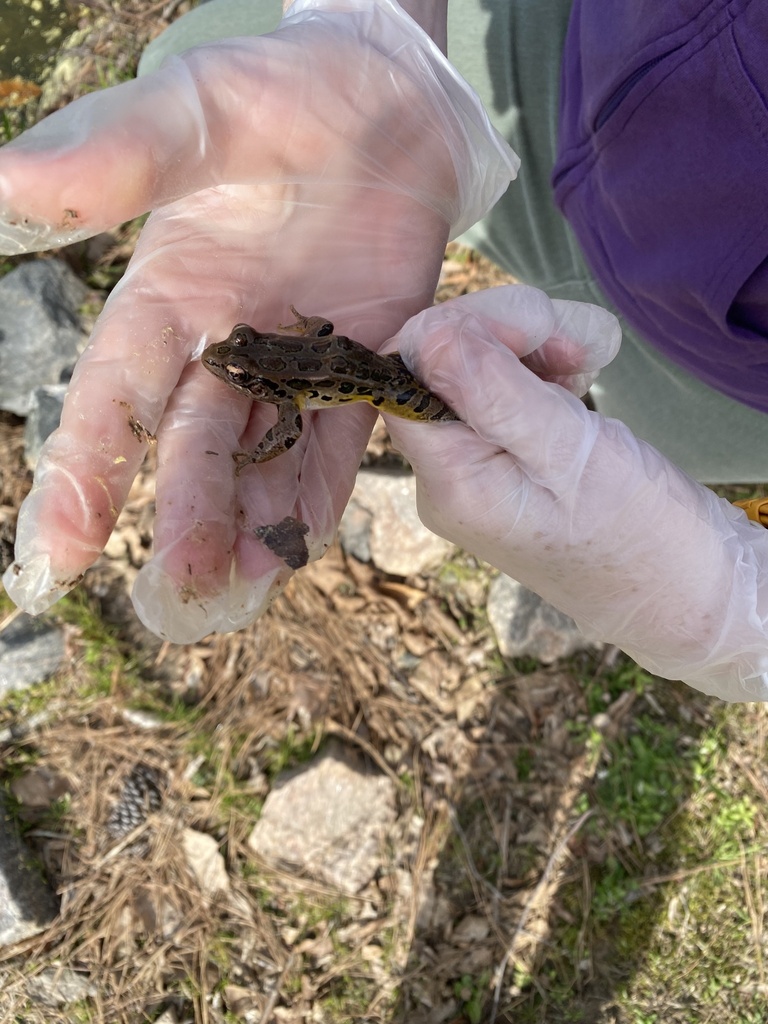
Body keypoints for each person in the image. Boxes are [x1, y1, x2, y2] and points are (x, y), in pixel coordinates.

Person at [1, 0, 767, 701]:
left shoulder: (287, 394)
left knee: (617, 444)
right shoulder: (279, 364)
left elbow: (292, 419)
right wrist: (381, 35)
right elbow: (321, 337)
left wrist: (740, 615)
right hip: (592, 59)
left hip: (731, 378)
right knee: (191, 46)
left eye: (239, 370)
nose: (230, 365)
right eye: (238, 358)